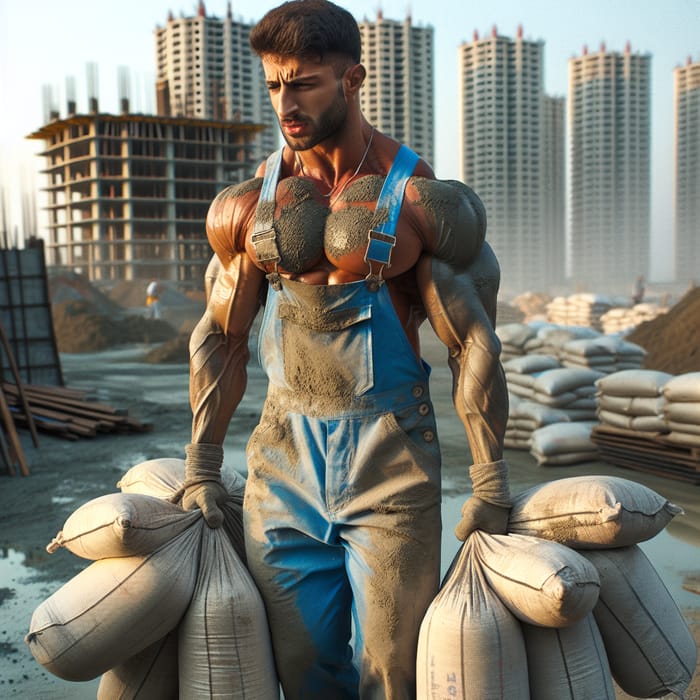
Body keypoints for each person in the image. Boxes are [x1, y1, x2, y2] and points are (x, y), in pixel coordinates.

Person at [181, 1, 511, 696]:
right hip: (284, 458)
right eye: (274, 86)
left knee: (393, 673)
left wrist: (491, 481)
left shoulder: (420, 201)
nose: (285, 103)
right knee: (303, 671)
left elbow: (471, 342)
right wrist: (201, 464)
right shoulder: (250, 208)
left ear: (353, 78)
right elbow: (221, 337)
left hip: (390, 459)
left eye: (303, 84)